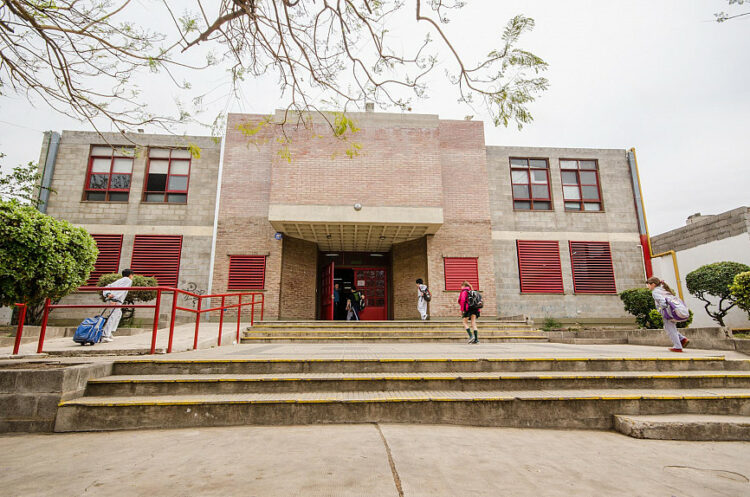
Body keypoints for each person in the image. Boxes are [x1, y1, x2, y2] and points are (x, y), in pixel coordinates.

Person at [647, 276, 689, 352]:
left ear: (653, 284)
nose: (647, 287)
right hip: (674, 311)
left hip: (668, 313)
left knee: (670, 329)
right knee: (669, 328)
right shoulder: (664, 290)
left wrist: (662, 309)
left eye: (648, 285)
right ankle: (682, 339)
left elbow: (662, 301)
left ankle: (678, 346)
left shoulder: (655, 292)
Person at [101, 268, 134, 342]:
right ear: (130, 275)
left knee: (118, 314)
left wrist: (107, 294)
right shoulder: (128, 280)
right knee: (113, 316)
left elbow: (108, 286)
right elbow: (121, 290)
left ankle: (109, 332)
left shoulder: (120, 280)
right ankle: (105, 335)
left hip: (115, 299)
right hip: (116, 300)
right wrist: (114, 299)